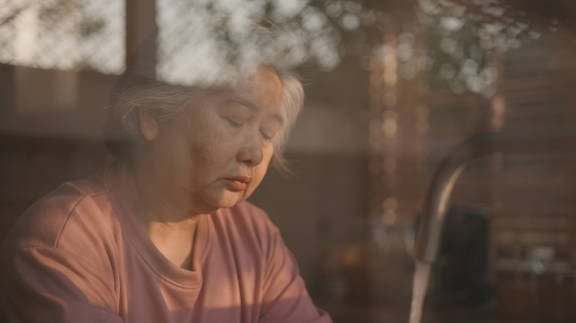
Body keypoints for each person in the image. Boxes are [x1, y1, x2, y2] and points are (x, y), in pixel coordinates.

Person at [0, 55, 332, 322]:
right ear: (153, 118)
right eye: (234, 120)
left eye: (267, 134)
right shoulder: (64, 238)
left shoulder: (254, 235)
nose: (255, 154)